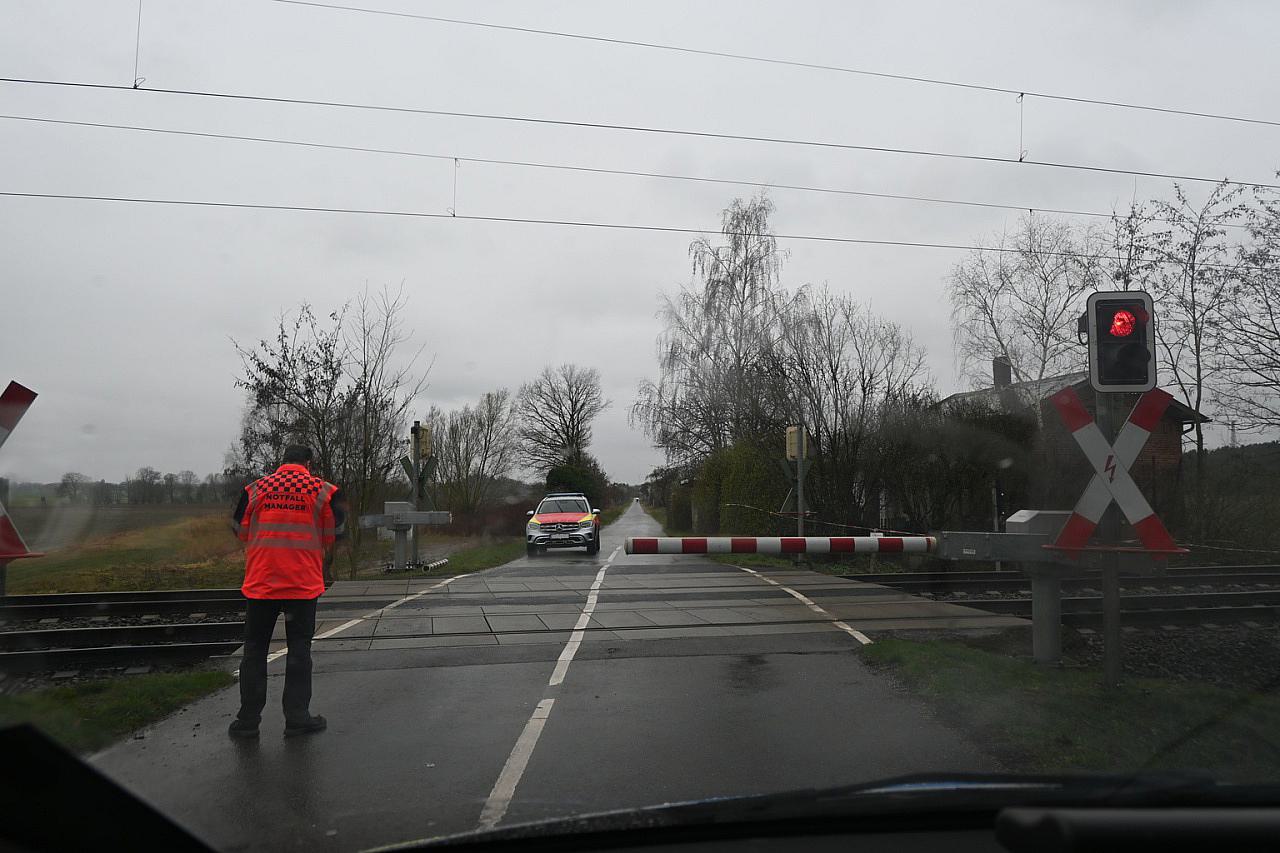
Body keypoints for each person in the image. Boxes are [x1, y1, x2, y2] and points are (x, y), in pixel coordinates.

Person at [227, 445, 345, 739]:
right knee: (299, 650)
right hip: (301, 585)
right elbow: (336, 534)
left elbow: (238, 528)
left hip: (262, 582)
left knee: (254, 650)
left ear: (281, 462)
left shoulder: (255, 488)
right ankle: (297, 718)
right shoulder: (323, 490)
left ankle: (247, 721)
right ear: (308, 463)